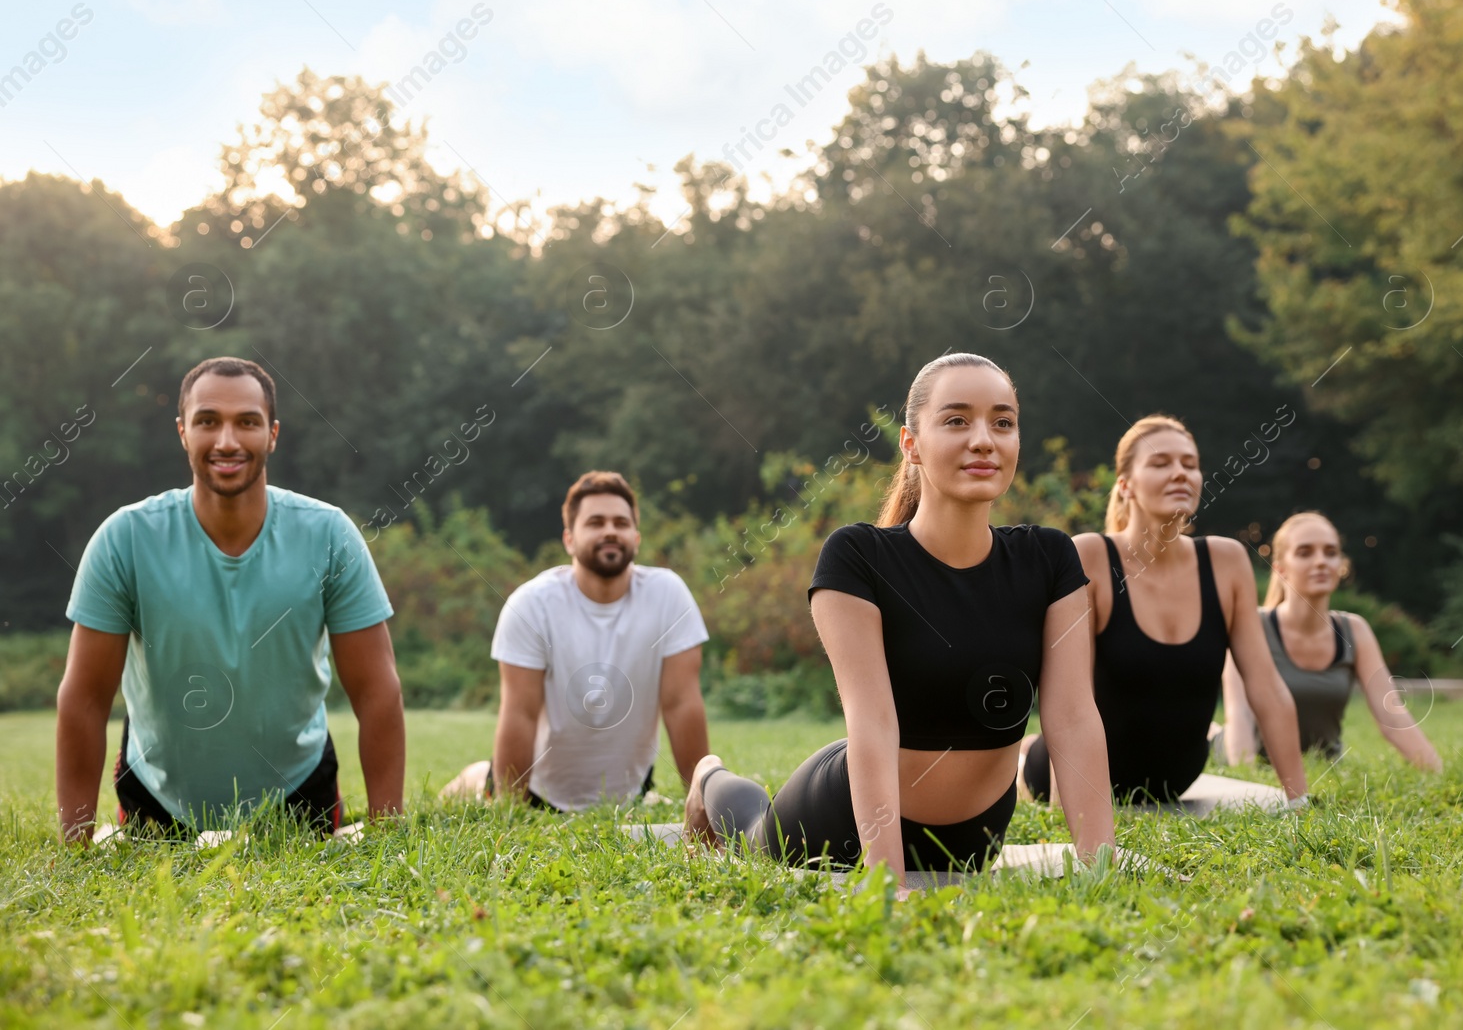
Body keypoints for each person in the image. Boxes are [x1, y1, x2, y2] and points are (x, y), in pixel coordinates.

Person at [682, 353, 1115, 890]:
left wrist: (1104, 870)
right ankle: (709, 781)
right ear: (911, 444)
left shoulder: (1049, 558)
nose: (984, 439)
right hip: (842, 823)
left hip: (974, 838)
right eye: (957, 420)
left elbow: (1072, 718)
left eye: (1002, 422)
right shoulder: (858, 556)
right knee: (751, 831)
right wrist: (887, 879)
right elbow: (872, 721)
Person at [56, 357, 405, 843]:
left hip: (298, 792)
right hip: (157, 798)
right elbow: (85, 699)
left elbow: (377, 691)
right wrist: (74, 842)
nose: (227, 441)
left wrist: (390, 831)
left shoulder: (330, 534)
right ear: (182, 431)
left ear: (273, 434)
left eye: (247, 422)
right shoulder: (124, 538)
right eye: (207, 421)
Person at [1017, 414, 1309, 806]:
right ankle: (1022, 757)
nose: (1179, 473)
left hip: (1176, 780)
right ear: (1125, 485)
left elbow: (1266, 686)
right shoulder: (1090, 555)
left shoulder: (1227, 561)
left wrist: (1298, 800)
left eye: (1189, 464)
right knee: (1028, 760)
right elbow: (1069, 698)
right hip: (1079, 778)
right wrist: (1062, 815)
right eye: (1160, 463)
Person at [440, 471, 711, 811]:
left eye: (621, 523)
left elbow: (682, 704)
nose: (610, 530)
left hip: (628, 794)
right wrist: (509, 811)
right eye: (596, 522)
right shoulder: (531, 604)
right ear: (569, 539)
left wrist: (703, 801)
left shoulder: (668, 594)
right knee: (479, 782)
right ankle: (473, 777)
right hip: (540, 792)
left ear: (636, 537)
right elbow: (519, 713)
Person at [1218, 513, 1442, 769]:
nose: (1321, 562)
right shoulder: (1251, 625)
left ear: (1340, 564)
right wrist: (1251, 780)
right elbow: (1239, 717)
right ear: (1280, 568)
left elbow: (1393, 717)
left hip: (1324, 766)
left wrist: (1438, 771)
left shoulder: (1354, 630)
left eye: (1330, 552)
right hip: (1239, 755)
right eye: (1305, 552)